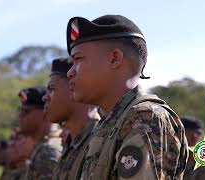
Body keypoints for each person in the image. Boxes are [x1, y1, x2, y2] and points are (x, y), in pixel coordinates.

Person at [66, 15, 188, 179]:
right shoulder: (108, 124)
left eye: (78, 59)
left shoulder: (145, 117)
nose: (70, 72)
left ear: (115, 59)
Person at [42, 58, 99, 179]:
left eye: (52, 89)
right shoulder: (69, 144)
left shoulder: (98, 140)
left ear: (73, 87)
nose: (45, 98)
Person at [18, 87, 62, 180]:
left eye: (26, 111)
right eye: (20, 110)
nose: (20, 116)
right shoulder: (41, 147)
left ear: (45, 113)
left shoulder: (49, 150)